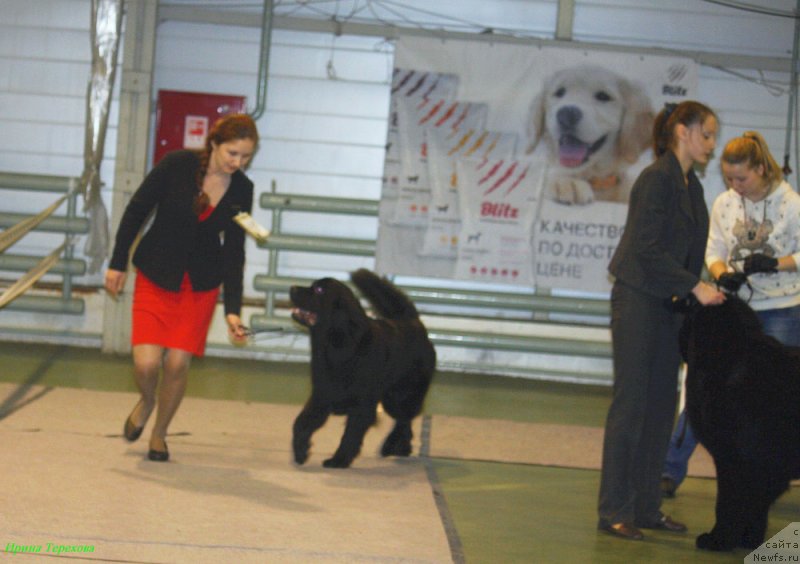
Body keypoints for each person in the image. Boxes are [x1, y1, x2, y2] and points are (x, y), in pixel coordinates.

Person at [597, 101, 725, 541]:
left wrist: (701, 287)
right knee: (631, 407)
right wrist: (695, 285)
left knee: (658, 411)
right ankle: (614, 509)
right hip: (637, 302)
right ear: (683, 132)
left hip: (668, 307)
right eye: (706, 134)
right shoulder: (656, 180)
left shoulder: (691, 187)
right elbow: (645, 250)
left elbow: (687, 251)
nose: (711, 143)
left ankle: (647, 507)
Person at [105, 113, 258, 462]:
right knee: (146, 364)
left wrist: (233, 310)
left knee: (176, 364)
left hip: (201, 284)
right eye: (232, 153)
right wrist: (117, 262)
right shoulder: (177, 164)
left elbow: (235, 251)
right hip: (157, 273)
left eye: (246, 156)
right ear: (215, 144)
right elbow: (137, 209)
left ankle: (159, 434)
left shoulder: (242, 190)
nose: (238, 162)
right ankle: (146, 401)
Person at [661, 130, 800, 496]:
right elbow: (713, 248)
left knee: (778, 402)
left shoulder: (792, 203)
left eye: (742, 177)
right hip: (733, 312)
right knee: (704, 392)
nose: (735, 185)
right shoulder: (723, 203)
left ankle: (771, 473)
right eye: (729, 178)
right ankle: (670, 471)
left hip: (783, 310)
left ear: (760, 169)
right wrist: (723, 273)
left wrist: (777, 263)